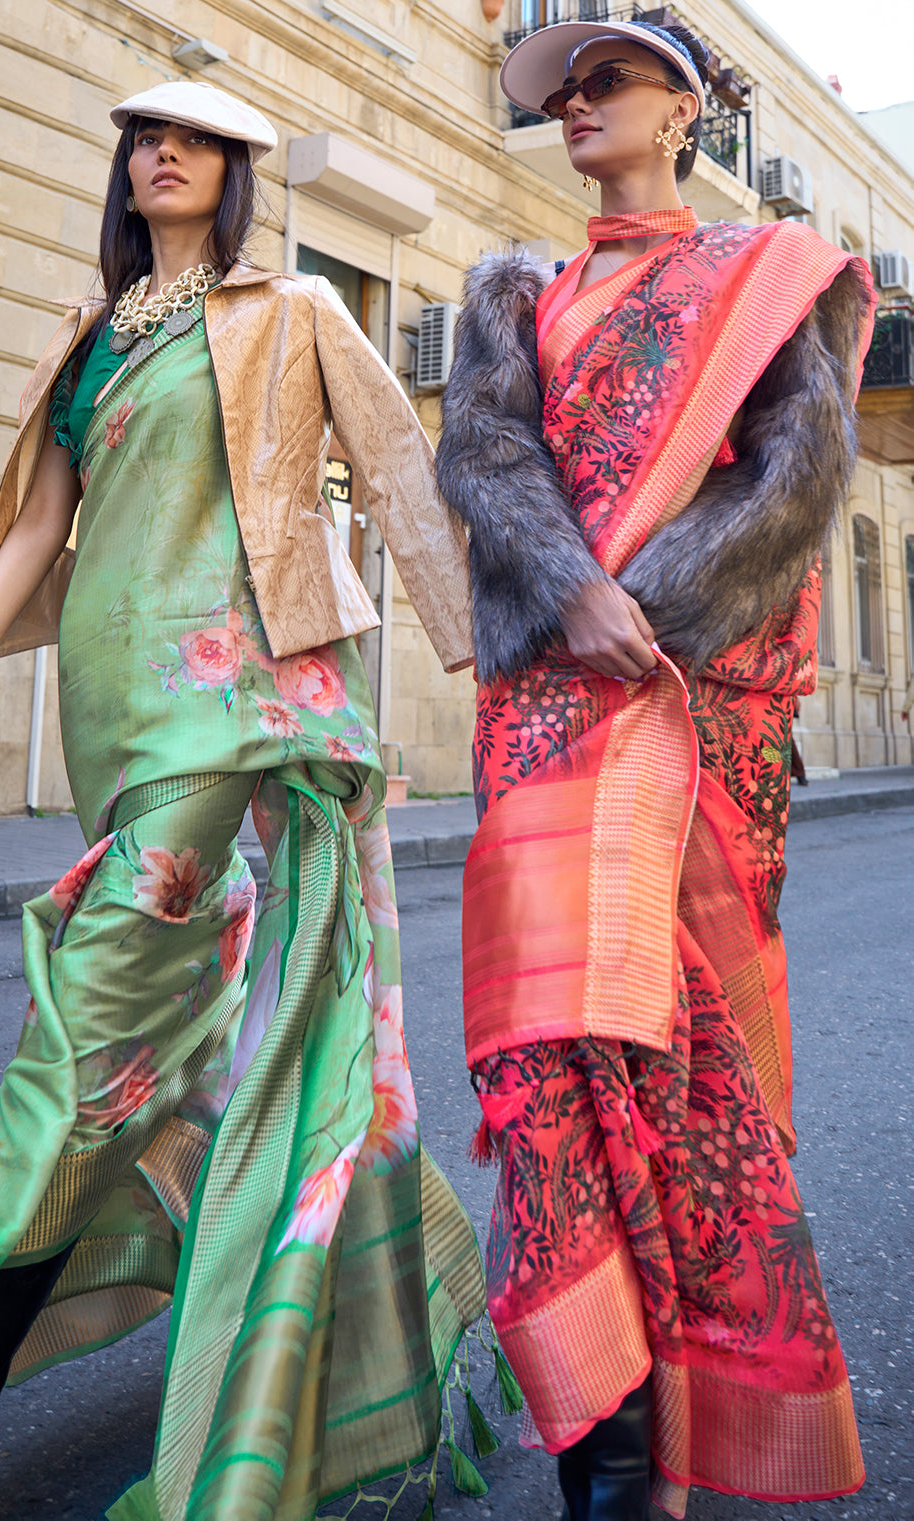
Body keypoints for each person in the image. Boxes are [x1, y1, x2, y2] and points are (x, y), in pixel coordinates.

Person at [0, 80, 485, 1521]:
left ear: (240, 174)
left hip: (235, 705)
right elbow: (45, 517)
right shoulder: (90, 333)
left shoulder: (294, 313)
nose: (160, 152)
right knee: (139, 1045)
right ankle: (236, 1273)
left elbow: (396, 473)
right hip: (112, 711)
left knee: (79, 1044)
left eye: (191, 139)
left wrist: (495, 664)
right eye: (141, 138)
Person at [436, 19, 871, 1521]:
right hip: (547, 712)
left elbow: (799, 479)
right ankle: (606, 1468)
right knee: (548, 1065)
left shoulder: (766, 278)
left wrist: (656, 606)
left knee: (678, 1071)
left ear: (684, 111)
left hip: (688, 708)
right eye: (562, 91)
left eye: (608, 81)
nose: (576, 105)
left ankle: (667, 1452)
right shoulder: (516, 293)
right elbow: (488, 470)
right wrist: (570, 590)